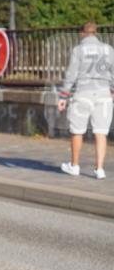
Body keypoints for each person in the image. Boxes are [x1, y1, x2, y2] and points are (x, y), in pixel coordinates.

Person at [59, 22, 113, 180]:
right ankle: (100, 169)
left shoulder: (78, 50)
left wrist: (63, 96)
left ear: (82, 33)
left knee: (77, 130)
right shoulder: (109, 49)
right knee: (101, 132)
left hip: (83, 92)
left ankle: (74, 166)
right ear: (95, 33)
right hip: (103, 94)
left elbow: (71, 74)